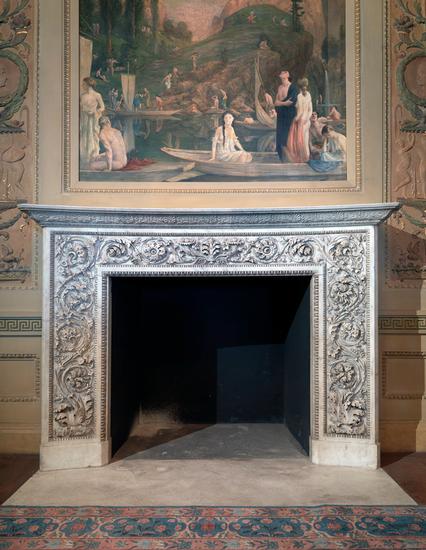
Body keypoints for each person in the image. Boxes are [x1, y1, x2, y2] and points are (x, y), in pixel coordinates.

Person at [80, 77, 105, 167]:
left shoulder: (97, 95)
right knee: (84, 136)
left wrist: (95, 111)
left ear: (89, 85)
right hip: (84, 118)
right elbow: (80, 108)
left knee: (94, 136)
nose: (82, 86)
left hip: (93, 118)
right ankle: (85, 157)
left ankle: (94, 156)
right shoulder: (82, 96)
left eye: (84, 84)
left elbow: (102, 107)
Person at [286, 78, 313, 163]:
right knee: (305, 139)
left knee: (301, 140)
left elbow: (301, 111)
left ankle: (304, 157)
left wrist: (298, 119)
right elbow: (309, 110)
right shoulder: (307, 95)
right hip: (305, 120)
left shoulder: (300, 96)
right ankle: (306, 157)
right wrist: (306, 118)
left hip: (302, 120)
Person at [274, 70, 298, 161]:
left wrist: (280, 103)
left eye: (284, 78)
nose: (282, 80)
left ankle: (289, 158)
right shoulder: (280, 87)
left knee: (287, 136)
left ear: (287, 77)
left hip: (289, 115)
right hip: (281, 115)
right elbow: (275, 102)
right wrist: (283, 103)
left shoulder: (293, 88)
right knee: (280, 136)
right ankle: (281, 157)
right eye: (281, 78)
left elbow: (290, 103)